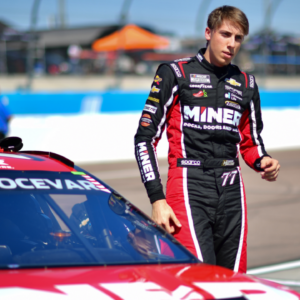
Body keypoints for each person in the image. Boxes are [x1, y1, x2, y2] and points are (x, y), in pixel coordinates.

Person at [134, 5, 280, 273]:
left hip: (232, 187)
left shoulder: (247, 83)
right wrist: (157, 199)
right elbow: (144, 139)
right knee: (198, 276)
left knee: (234, 279)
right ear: (208, 32)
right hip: (189, 184)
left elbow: (251, 143)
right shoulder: (175, 73)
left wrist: (264, 161)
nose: (231, 44)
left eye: (238, 38)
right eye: (225, 34)